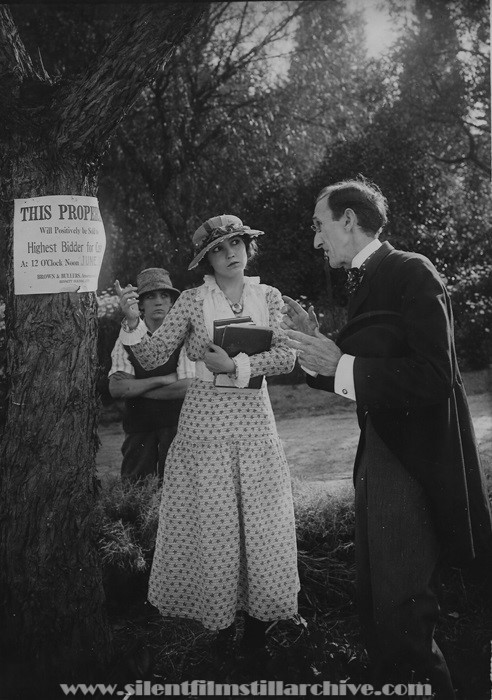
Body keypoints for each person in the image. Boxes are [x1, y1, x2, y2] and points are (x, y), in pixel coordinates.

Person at [282, 178, 492, 699]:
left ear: (349, 220)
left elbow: (434, 376)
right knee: (379, 603)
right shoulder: (369, 279)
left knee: (401, 611)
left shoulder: (412, 271)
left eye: (319, 225)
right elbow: (367, 368)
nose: (315, 240)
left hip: (412, 463)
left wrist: (342, 361)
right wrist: (323, 350)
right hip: (379, 452)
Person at [115, 215, 299, 655]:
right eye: (219, 249)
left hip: (255, 427)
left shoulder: (268, 295)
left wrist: (235, 366)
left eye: (236, 243)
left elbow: (287, 357)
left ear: (246, 247)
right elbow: (155, 352)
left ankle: (257, 632)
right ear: (207, 259)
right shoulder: (194, 300)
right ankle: (220, 629)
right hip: (204, 430)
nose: (230, 253)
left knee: (260, 527)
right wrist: (130, 321)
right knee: (214, 527)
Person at [108, 268, 194, 483]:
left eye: (164, 296)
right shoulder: (126, 338)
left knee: (179, 490)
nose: (158, 302)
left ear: (172, 303)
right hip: (139, 429)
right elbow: (117, 388)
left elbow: (187, 387)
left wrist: (136, 387)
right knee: (136, 490)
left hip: (178, 427)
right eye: (150, 296)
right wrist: (164, 379)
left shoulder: (183, 337)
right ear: (140, 304)